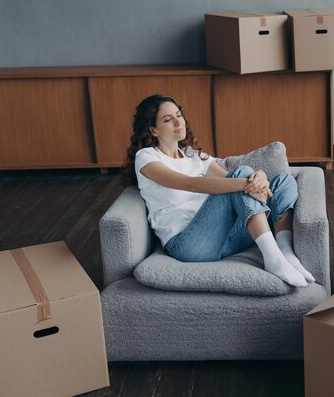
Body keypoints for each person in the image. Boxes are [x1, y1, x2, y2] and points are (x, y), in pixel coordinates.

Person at [123, 94, 314, 287]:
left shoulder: (192, 154)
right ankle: (273, 259)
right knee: (243, 175)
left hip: (224, 239)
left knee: (284, 180)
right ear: (153, 130)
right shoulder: (146, 157)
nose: (177, 122)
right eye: (167, 119)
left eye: (178, 115)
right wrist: (246, 182)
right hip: (188, 244)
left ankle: (286, 252)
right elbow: (191, 184)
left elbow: (230, 179)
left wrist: (260, 177)